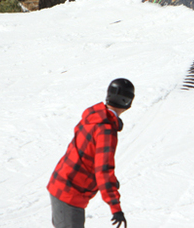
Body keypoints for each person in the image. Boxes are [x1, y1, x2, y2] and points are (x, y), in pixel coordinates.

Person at [48, 78, 135, 228]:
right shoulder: (106, 130)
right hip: (70, 193)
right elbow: (103, 170)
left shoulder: (94, 117)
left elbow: (87, 154)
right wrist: (115, 208)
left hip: (61, 184)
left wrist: (110, 183)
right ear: (127, 102)